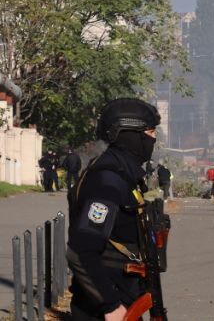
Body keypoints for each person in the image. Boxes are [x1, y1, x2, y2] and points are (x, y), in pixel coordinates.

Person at [66, 97, 165, 321]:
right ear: (130, 134)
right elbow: (81, 251)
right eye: (150, 132)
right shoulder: (108, 181)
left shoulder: (124, 175)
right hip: (106, 309)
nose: (154, 138)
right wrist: (110, 306)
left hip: (126, 298)